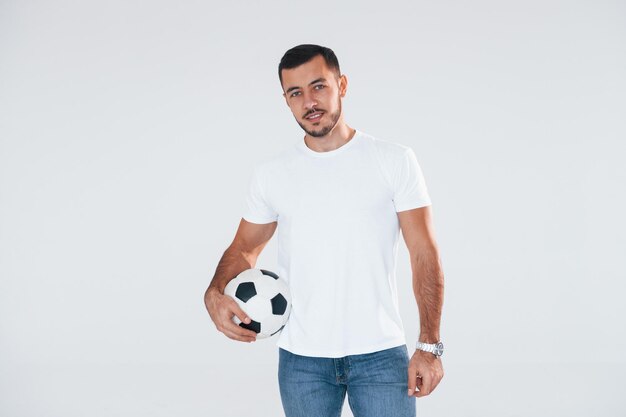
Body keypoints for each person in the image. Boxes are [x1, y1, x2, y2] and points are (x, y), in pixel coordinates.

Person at [204, 44, 445, 417]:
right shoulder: (272, 174)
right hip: (303, 361)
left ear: (342, 85)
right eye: (295, 93)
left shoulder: (394, 161)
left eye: (319, 87)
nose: (309, 102)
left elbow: (423, 253)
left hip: (381, 356)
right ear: (285, 100)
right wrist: (214, 293)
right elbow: (244, 249)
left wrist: (429, 346)